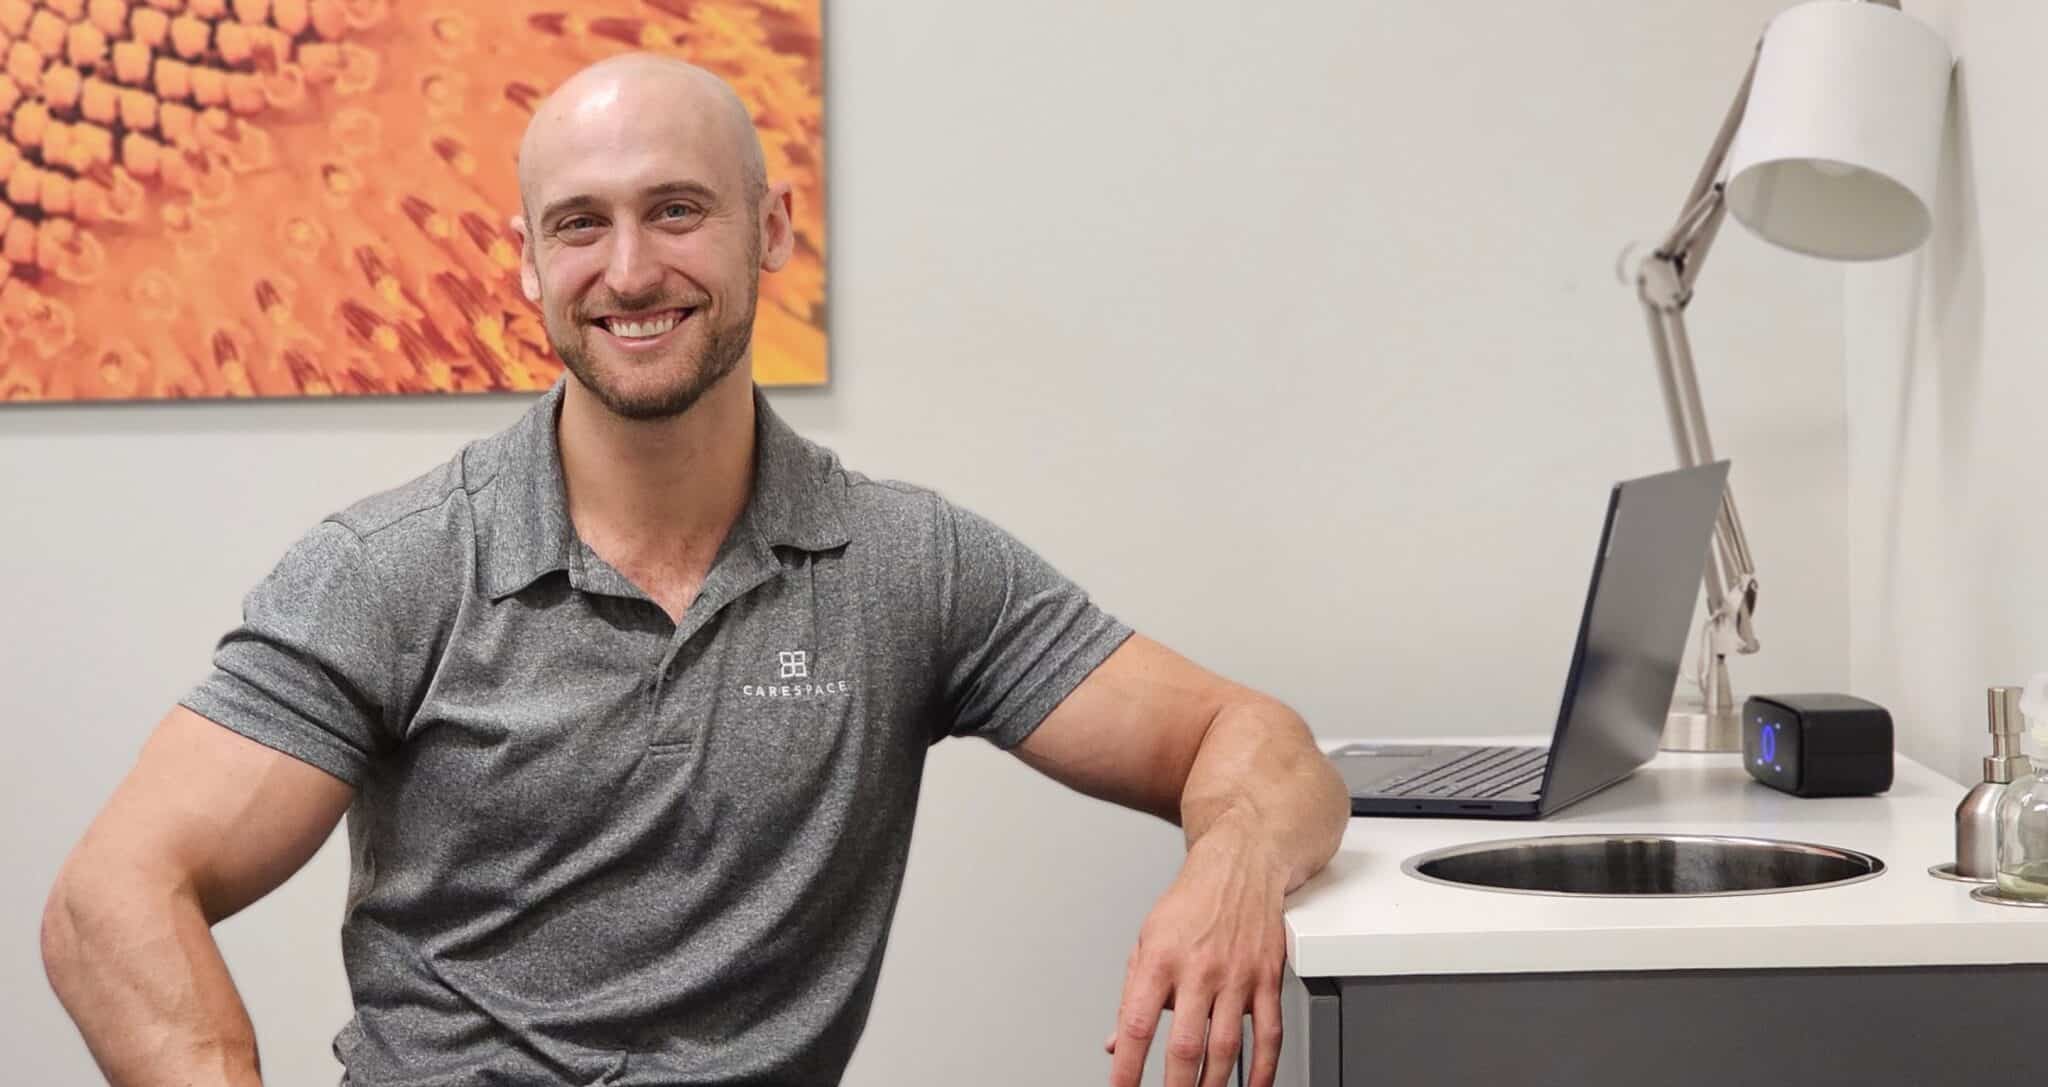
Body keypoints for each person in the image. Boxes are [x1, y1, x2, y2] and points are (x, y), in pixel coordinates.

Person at [39, 55, 1349, 1087]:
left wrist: (1228, 873)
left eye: (676, 210)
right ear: (528, 264)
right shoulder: (394, 570)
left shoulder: (904, 566)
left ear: (771, 229)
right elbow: (108, 901)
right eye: (580, 225)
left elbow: (1257, 742)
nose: (629, 270)